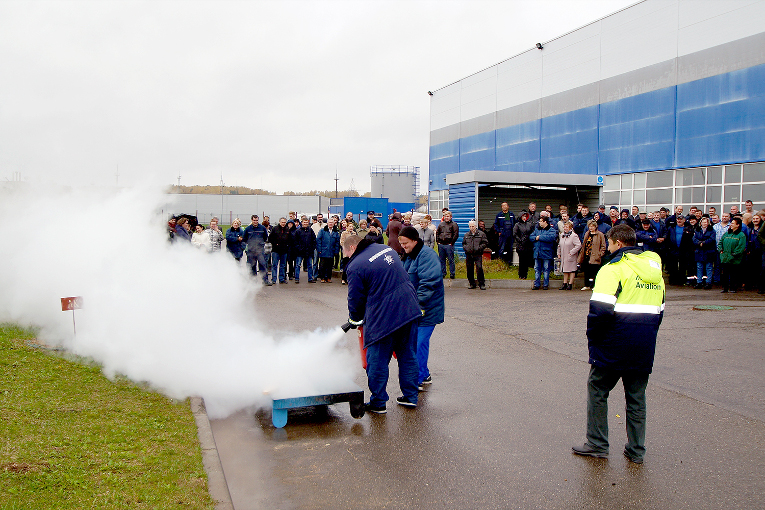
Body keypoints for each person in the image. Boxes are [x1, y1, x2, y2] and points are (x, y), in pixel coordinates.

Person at [572, 224, 665, 464]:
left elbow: (599, 312)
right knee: (636, 398)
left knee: (597, 389)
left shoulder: (612, 269)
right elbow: (660, 311)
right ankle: (636, 451)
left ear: (619, 244)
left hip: (613, 342)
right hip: (643, 344)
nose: (608, 249)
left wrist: (593, 340)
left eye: (610, 244)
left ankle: (597, 443)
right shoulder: (655, 272)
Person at [343, 234, 421, 413]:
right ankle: (410, 397)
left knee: (376, 360)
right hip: (409, 309)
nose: (347, 257)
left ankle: (378, 403)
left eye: (346, 253)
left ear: (352, 248)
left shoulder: (355, 266)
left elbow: (355, 298)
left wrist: (354, 319)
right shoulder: (385, 248)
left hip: (384, 318)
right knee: (408, 355)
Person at [398, 226, 444, 391]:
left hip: (427, 309)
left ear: (415, 241)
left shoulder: (427, 255)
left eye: (405, 243)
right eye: (401, 243)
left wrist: (416, 305)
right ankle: (424, 375)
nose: (403, 246)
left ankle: (416, 379)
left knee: (418, 343)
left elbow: (429, 282)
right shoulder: (409, 256)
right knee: (417, 343)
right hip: (414, 309)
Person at [718, 217, 747, 293]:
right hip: (725, 258)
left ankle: (733, 288)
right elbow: (720, 243)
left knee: (734, 274)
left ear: (738, 225)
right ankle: (725, 288)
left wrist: (734, 254)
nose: (731, 225)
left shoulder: (741, 235)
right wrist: (721, 250)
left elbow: (741, 247)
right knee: (725, 274)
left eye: (733, 223)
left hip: (735, 259)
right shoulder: (726, 234)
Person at [577, 220, 607, 291]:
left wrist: (600, 254)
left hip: (595, 255)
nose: (591, 228)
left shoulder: (600, 234)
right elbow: (584, 244)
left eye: (592, 226)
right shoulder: (587, 233)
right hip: (587, 254)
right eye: (590, 226)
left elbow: (603, 246)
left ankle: (594, 285)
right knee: (587, 271)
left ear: (595, 227)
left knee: (594, 272)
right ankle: (586, 285)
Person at [243, 215, 271, 285]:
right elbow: (244, 238)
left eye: (256, 220)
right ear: (251, 220)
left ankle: (265, 280)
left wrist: (260, 244)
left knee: (263, 265)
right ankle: (253, 281)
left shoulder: (262, 228)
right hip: (251, 251)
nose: (255, 222)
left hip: (260, 250)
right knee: (252, 266)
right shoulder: (248, 229)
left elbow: (265, 237)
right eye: (254, 220)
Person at [531, 216, 556, 290]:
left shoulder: (551, 230)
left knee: (546, 269)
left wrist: (539, 237)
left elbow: (551, 238)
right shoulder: (537, 229)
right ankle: (537, 284)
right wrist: (536, 238)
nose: (539, 222)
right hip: (537, 252)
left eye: (541, 221)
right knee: (537, 269)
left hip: (546, 252)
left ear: (545, 222)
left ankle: (545, 284)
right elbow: (531, 237)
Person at [462, 220, 489, 290]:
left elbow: (485, 243)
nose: (471, 228)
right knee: (469, 269)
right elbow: (464, 244)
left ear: (476, 226)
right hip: (469, 254)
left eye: (473, 226)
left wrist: (479, 248)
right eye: (470, 226)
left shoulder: (481, 234)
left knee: (479, 268)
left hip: (478, 254)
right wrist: (466, 249)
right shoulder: (466, 235)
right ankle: (472, 283)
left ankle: (481, 284)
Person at [557, 220, 581, 290]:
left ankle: (570, 284)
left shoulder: (574, 236)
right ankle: (564, 283)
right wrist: (559, 253)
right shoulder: (562, 235)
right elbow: (559, 245)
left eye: (567, 227)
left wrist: (572, 252)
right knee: (565, 270)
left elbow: (578, 245)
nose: (565, 228)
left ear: (570, 228)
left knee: (571, 270)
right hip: (564, 255)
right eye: (564, 227)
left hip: (570, 255)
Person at [693, 217, 716, 289]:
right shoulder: (697, 230)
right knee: (699, 267)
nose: (704, 224)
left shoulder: (712, 230)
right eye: (703, 222)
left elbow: (712, 239)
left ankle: (708, 283)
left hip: (708, 251)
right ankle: (699, 282)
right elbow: (694, 238)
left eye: (705, 222)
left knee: (709, 267)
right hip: (699, 251)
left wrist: (704, 243)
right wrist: (699, 243)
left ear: (708, 223)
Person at [292, 218, 317, 283]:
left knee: (309, 265)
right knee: (298, 265)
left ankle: (310, 278)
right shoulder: (298, 231)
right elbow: (295, 241)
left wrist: (312, 248)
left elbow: (314, 240)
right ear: (302, 223)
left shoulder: (310, 230)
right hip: (300, 252)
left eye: (306, 222)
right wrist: (298, 248)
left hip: (309, 251)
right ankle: (297, 278)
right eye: (304, 222)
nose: (305, 223)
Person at [317, 217, 341, 283]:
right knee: (322, 265)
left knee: (329, 266)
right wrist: (319, 249)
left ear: (334, 224)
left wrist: (336, 251)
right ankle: (322, 278)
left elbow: (337, 242)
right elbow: (318, 240)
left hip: (331, 251)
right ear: (327, 223)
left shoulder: (336, 232)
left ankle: (328, 278)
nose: (330, 224)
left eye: (332, 223)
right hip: (323, 251)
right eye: (329, 222)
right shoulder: (322, 230)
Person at [436, 210, 459, 279]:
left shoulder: (454, 224)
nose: (446, 217)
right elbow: (437, 233)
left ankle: (452, 273)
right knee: (442, 260)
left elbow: (456, 234)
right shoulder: (441, 224)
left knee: (450, 260)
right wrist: (438, 242)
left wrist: (451, 243)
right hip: (441, 245)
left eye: (448, 216)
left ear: (451, 217)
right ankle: (443, 273)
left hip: (449, 245)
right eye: (445, 216)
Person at [268, 217, 291, 284]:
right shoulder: (275, 229)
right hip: (276, 250)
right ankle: (274, 279)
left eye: (284, 222)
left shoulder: (287, 229)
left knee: (283, 265)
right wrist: (275, 244)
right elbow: (270, 238)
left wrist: (287, 245)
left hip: (284, 251)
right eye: (282, 222)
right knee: (275, 265)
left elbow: (289, 239)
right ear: (279, 222)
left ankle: (281, 279)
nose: (283, 224)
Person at [513, 212, 534, 279]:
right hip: (520, 245)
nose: (524, 218)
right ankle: (521, 275)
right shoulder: (517, 225)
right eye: (523, 216)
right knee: (521, 261)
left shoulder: (529, 224)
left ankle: (525, 275)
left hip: (528, 245)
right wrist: (520, 240)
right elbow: (515, 234)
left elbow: (532, 232)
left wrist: (529, 239)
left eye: (525, 216)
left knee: (526, 261)